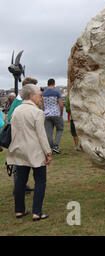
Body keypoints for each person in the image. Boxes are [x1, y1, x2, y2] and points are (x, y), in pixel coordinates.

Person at [7, 84, 52, 221]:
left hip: (18, 150)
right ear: (31, 96)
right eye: (39, 95)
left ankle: (19, 210)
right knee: (40, 181)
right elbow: (42, 135)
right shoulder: (37, 112)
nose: (41, 98)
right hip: (35, 151)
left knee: (20, 181)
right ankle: (37, 212)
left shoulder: (16, 110)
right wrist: (48, 153)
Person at [7, 77, 39, 195]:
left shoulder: (18, 99)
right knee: (19, 164)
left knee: (21, 163)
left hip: (21, 136)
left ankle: (21, 186)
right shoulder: (21, 101)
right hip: (21, 136)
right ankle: (19, 188)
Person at [42, 79, 64, 155]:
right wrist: (61, 114)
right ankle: (55, 145)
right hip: (56, 114)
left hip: (47, 114)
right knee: (60, 129)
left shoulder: (43, 93)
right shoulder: (57, 92)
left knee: (48, 133)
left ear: (47, 84)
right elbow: (61, 105)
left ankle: (50, 147)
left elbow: (43, 106)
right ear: (54, 84)